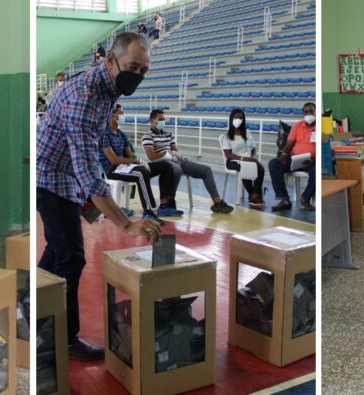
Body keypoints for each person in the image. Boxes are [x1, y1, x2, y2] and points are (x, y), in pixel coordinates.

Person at [37, 32, 162, 361]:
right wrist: (126, 224)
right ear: (110, 60)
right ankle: (63, 340)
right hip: (49, 176)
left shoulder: (109, 89)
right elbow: (89, 173)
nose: (137, 76)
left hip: (66, 173)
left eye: (144, 70)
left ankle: (32, 310)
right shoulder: (84, 95)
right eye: (133, 66)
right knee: (71, 258)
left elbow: (88, 157)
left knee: (57, 251)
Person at [142, 109, 234, 214]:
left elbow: (175, 150)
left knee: (206, 170)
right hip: (163, 163)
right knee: (177, 169)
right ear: (152, 121)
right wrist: (168, 154)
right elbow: (151, 156)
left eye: (164, 119)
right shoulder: (147, 136)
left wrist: (175, 154)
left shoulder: (168, 134)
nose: (163, 121)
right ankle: (169, 201)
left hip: (177, 160)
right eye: (160, 119)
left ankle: (218, 202)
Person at [101, 104, 180, 222]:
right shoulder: (104, 134)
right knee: (141, 172)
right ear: (112, 115)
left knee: (166, 166)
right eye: (121, 113)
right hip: (113, 170)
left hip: (125, 167)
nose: (123, 116)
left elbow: (130, 156)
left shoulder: (121, 134)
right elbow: (114, 160)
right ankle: (148, 212)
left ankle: (164, 204)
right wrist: (136, 161)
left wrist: (137, 161)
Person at [268, 102, 316, 211]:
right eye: (306, 112)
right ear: (303, 114)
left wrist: (314, 160)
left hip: (312, 161)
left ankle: (305, 198)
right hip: (295, 159)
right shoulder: (297, 126)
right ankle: (284, 199)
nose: (309, 114)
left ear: (316, 112)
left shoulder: (321, 127)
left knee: (317, 171)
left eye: (311, 111)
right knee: (274, 164)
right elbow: (289, 143)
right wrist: (284, 154)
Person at [220, 108, 265, 209]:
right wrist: (243, 159)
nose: (238, 119)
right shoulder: (227, 135)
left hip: (248, 159)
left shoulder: (247, 132)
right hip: (233, 161)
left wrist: (252, 156)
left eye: (240, 117)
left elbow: (253, 147)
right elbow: (228, 154)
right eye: (236, 117)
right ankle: (253, 195)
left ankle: (255, 194)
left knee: (260, 169)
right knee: (244, 169)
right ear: (231, 118)